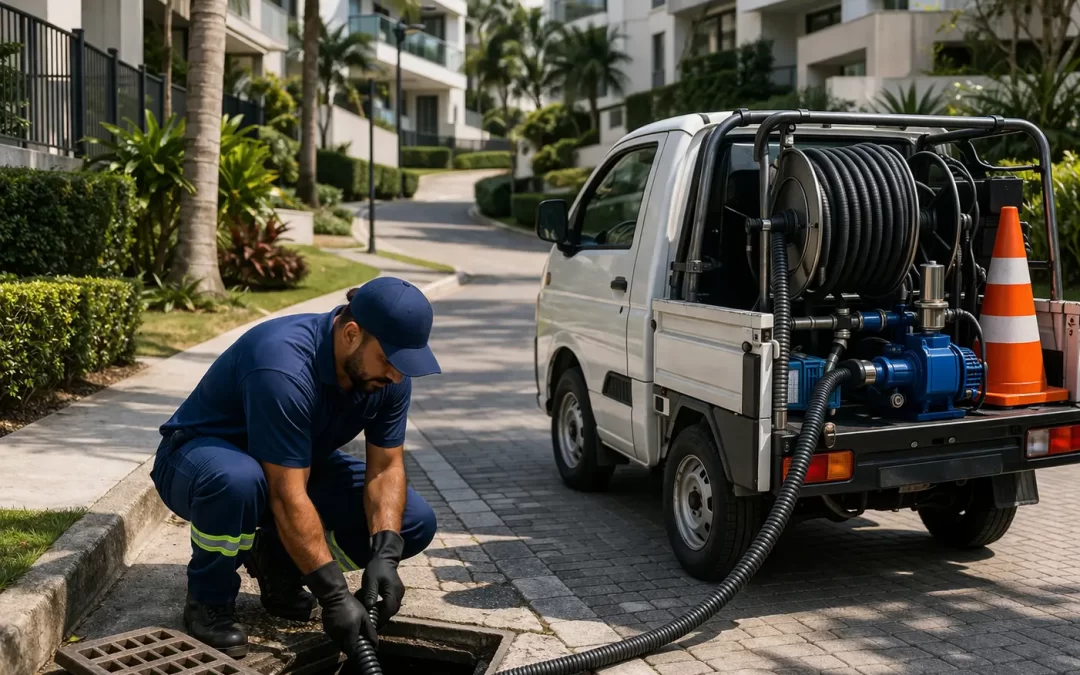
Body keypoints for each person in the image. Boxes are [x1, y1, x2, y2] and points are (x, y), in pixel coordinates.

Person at [150, 277, 441, 659]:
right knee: (239, 481)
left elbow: (386, 469)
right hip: (199, 460)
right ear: (351, 334)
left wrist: (385, 556)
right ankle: (209, 600)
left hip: (294, 462)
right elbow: (286, 496)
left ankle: (279, 562)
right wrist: (334, 594)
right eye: (389, 361)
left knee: (414, 521)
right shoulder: (283, 365)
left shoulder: (388, 375)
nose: (396, 376)